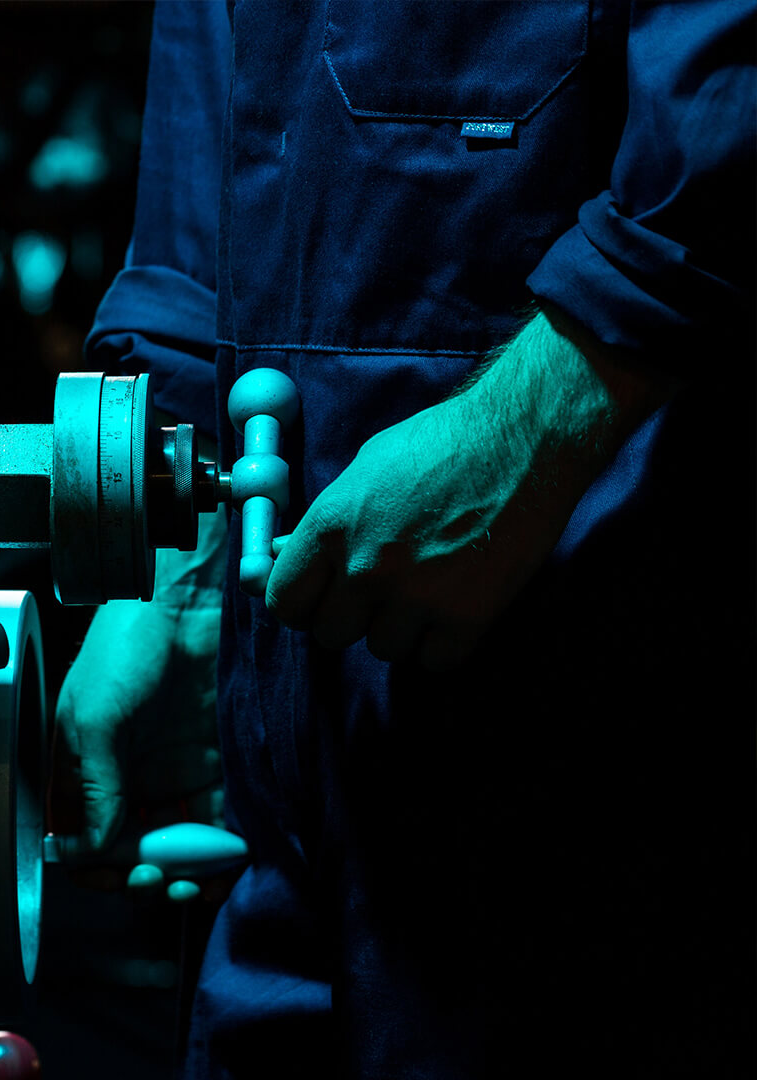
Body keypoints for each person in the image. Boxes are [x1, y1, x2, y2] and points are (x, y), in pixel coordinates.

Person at [58, 2, 756, 1076]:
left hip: (624, 746)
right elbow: (210, 137)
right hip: (291, 814)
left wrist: (543, 414)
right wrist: (176, 565)